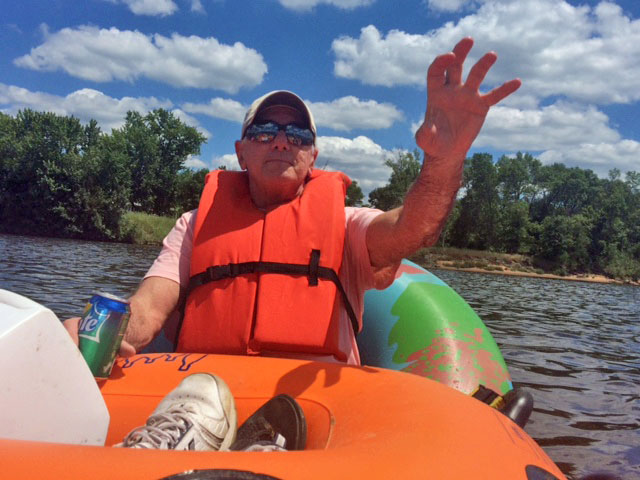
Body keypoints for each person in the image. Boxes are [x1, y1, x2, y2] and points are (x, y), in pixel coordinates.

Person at [64, 37, 521, 452]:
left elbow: (412, 230)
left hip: (316, 411)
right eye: (265, 132)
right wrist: (92, 330)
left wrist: (444, 160)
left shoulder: (346, 225)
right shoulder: (194, 224)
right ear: (242, 151)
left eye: (298, 135)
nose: (282, 142)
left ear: (312, 157)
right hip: (202, 395)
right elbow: (148, 310)